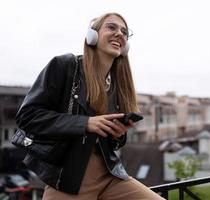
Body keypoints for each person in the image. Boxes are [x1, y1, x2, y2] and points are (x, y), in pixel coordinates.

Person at [15, 12, 165, 200]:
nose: (119, 33)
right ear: (92, 36)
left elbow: (112, 143)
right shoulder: (65, 65)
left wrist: (117, 134)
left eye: (124, 32)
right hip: (70, 180)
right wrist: (85, 123)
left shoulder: (118, 83)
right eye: (111, 27)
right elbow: (27, 116)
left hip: (110, 175)